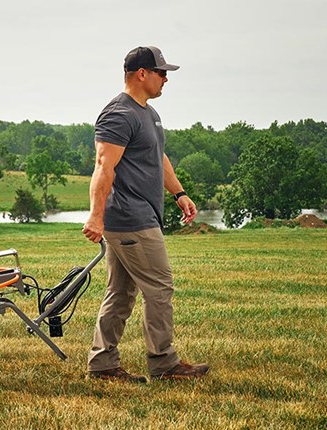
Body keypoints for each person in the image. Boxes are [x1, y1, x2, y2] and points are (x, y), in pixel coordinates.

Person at [82, 46, 209, 383]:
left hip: (138, 216)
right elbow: (103, 166)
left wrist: (179, 193)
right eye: (161, 72)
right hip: (130, 218)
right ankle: (164, 364)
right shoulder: (119, 114)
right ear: (142, 74)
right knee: (160, 287)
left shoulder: (147, 113)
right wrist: (96, 216)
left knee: (120, 293)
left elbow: (158, 157)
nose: (166, 78)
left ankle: (103, 365)